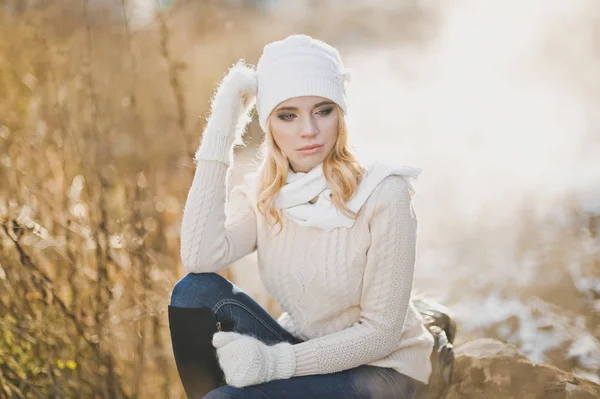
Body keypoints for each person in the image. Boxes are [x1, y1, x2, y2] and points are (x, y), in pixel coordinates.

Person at [168, 34, 453, 399]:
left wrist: (274, 364)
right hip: (304, 348)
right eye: (288, 115)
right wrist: (222, 130)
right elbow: (199, 257)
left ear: (341, 113)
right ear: (268, 123)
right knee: (193, 291)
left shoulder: (385, 193)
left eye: (323, 110)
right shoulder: (266, 194)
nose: (309, 131)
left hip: (383, 371)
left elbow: (380, 335)